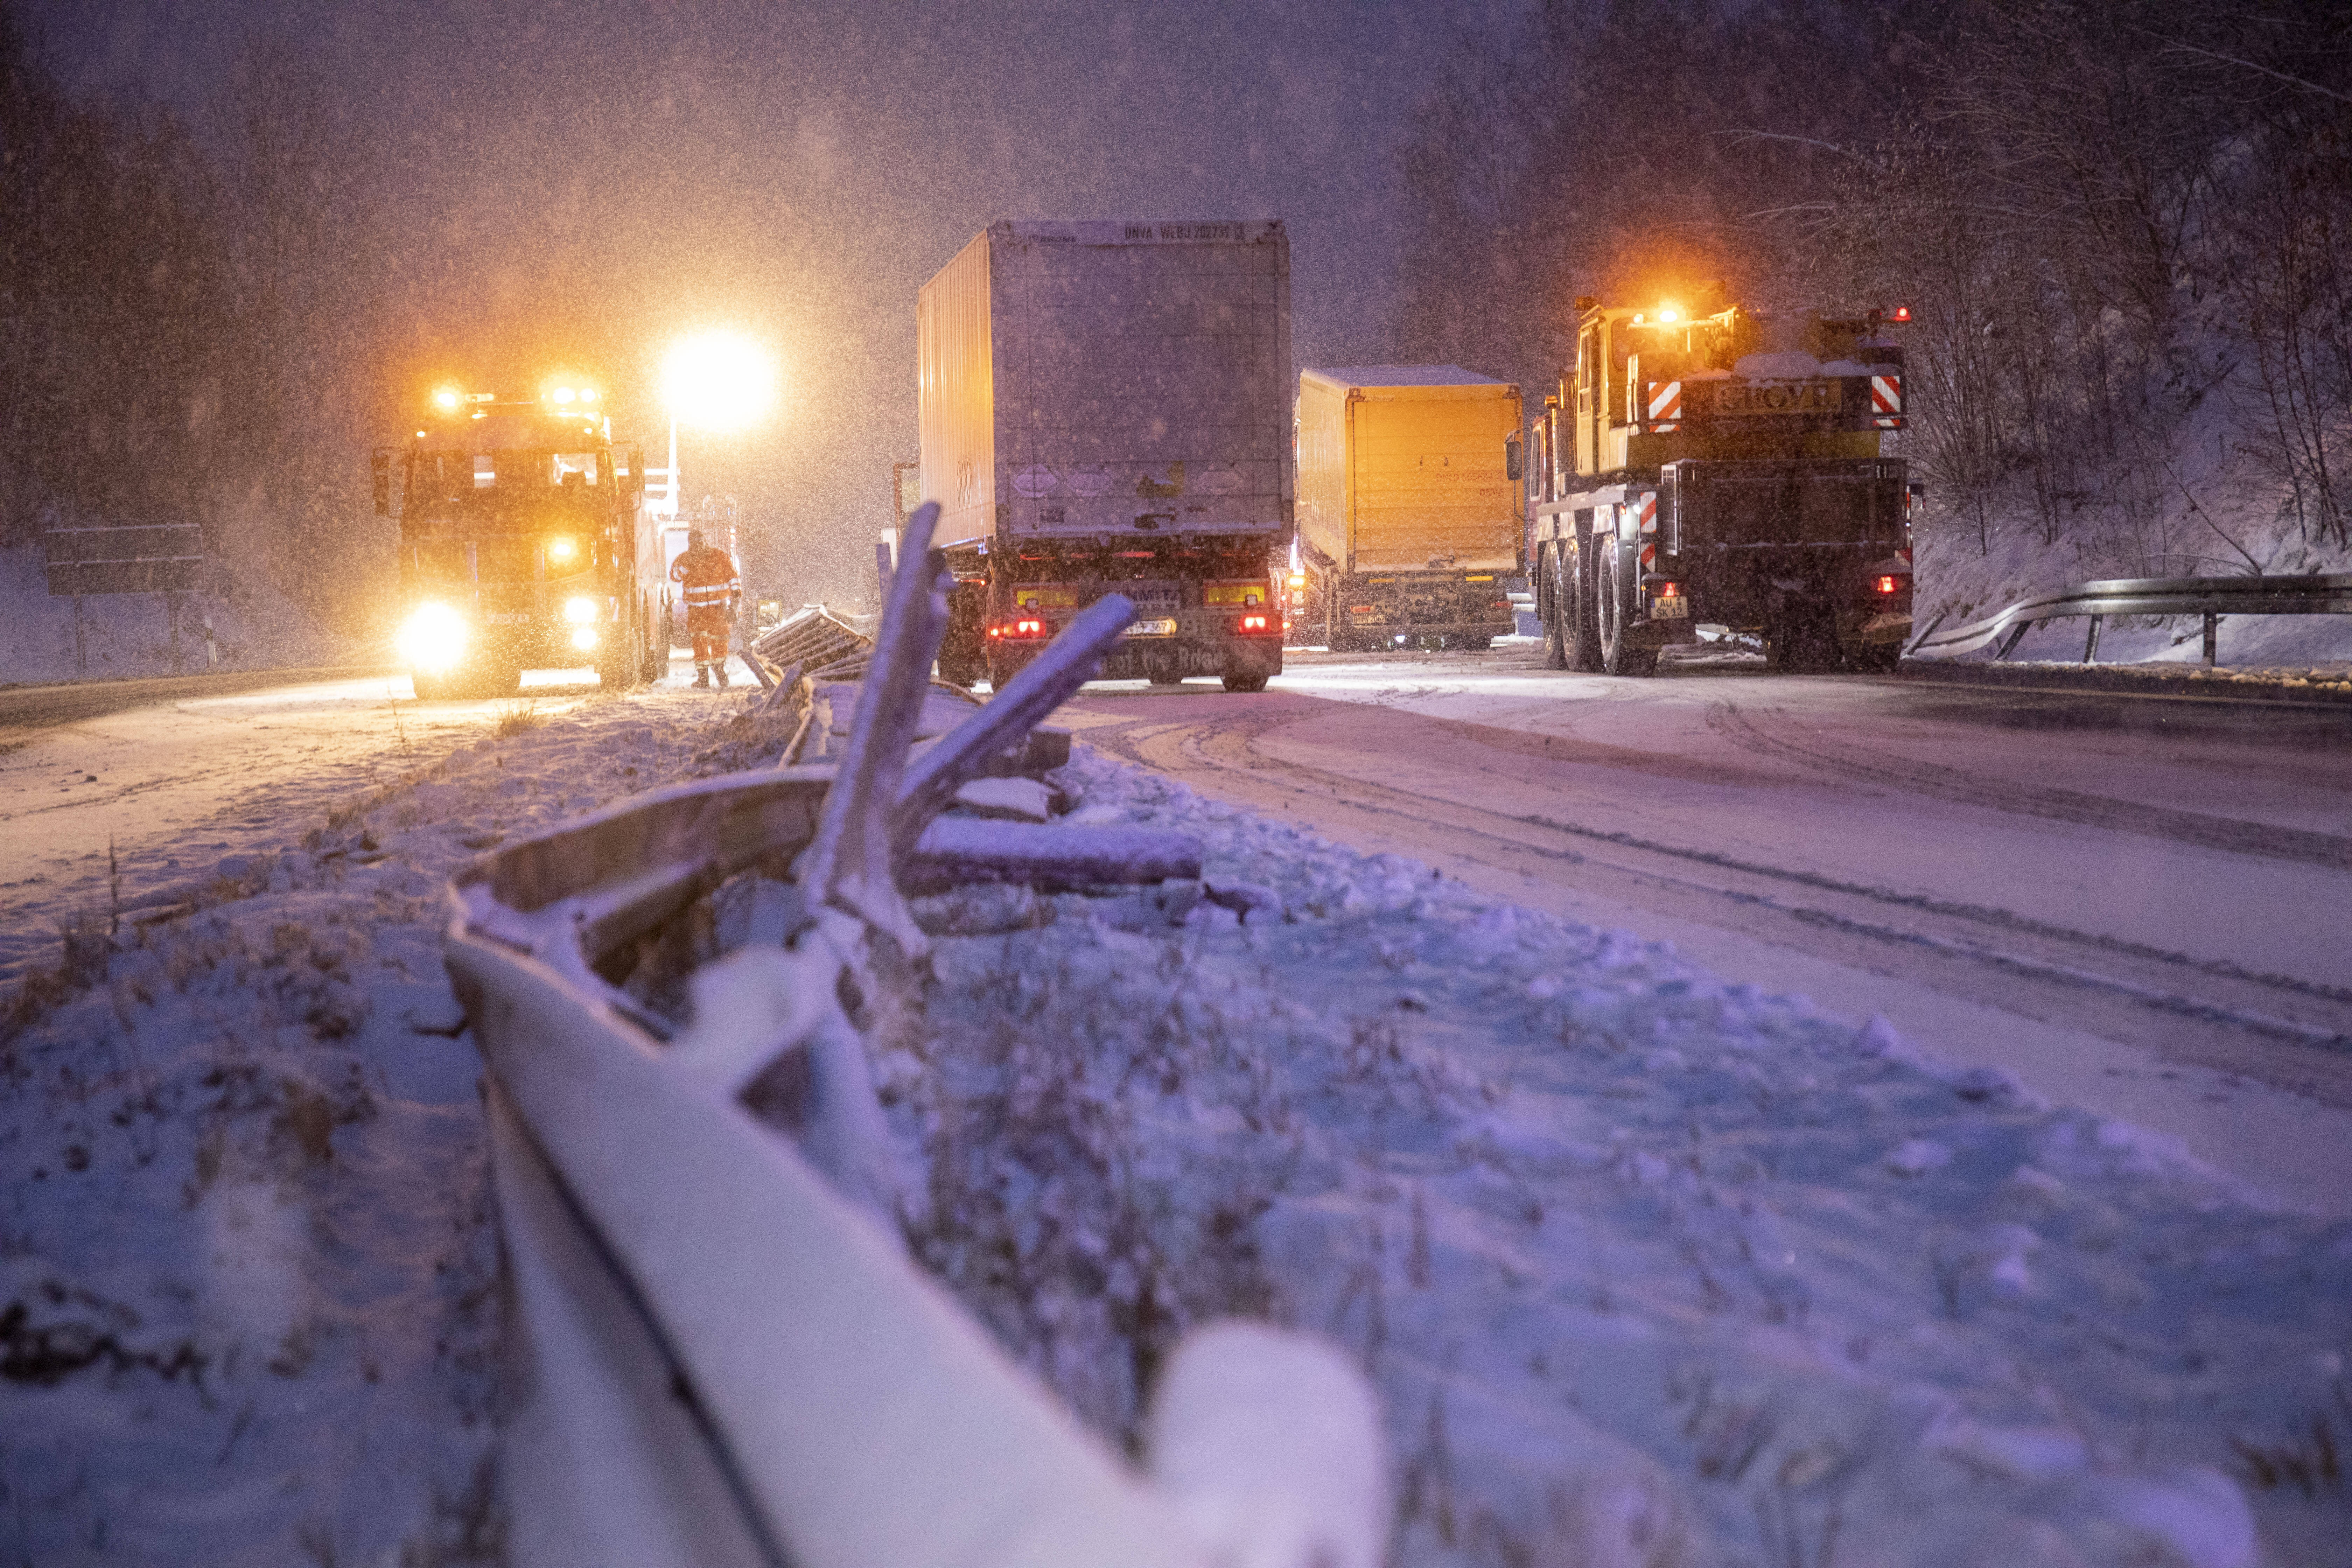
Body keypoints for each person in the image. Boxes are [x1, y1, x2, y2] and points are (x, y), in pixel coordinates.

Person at [670, 528, 742, 688]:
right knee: (700, 641)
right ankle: (704, 677)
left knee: (719, 639)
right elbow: (674, 576)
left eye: (700, 542)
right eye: (695, 543)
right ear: (690, 544)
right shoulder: (685, 559)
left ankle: (719, 669)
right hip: (697, 611)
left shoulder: (719, 556)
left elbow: (732, 577)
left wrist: (735, 599)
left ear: (705, 541)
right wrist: (684, 567)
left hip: (717, 609)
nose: (698, 546)